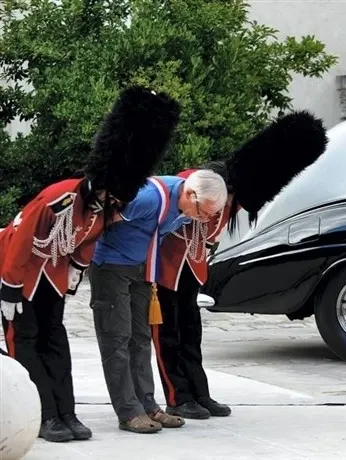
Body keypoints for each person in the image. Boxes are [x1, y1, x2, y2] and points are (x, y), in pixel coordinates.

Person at [0, 86, 180, 442]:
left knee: (55, 339)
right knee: (27, 340)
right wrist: (9, 289)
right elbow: (20, 239)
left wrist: (75, 271)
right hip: (16, 273)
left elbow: (86, 241)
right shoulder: (62, 197)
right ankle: (42, 415)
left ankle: (65, 412)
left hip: (50, 275)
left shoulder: (102, 206)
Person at [152, 111, 328, 419]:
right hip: (165, 272)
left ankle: (199, 392)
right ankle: (177, 397)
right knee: (168, 335)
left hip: (191, 270)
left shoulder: (234, 198)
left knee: (191, 334)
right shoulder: (193, 184)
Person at [88, 169, 227, 434]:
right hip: (112, 267)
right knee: (117, 339)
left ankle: (148, 405)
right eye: (203, 212)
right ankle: (129, 412)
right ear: (190, 194)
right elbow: (98, 221)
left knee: (141, 338)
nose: (204, 219)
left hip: (143, 271)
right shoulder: (148, 198)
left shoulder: (186, 205)